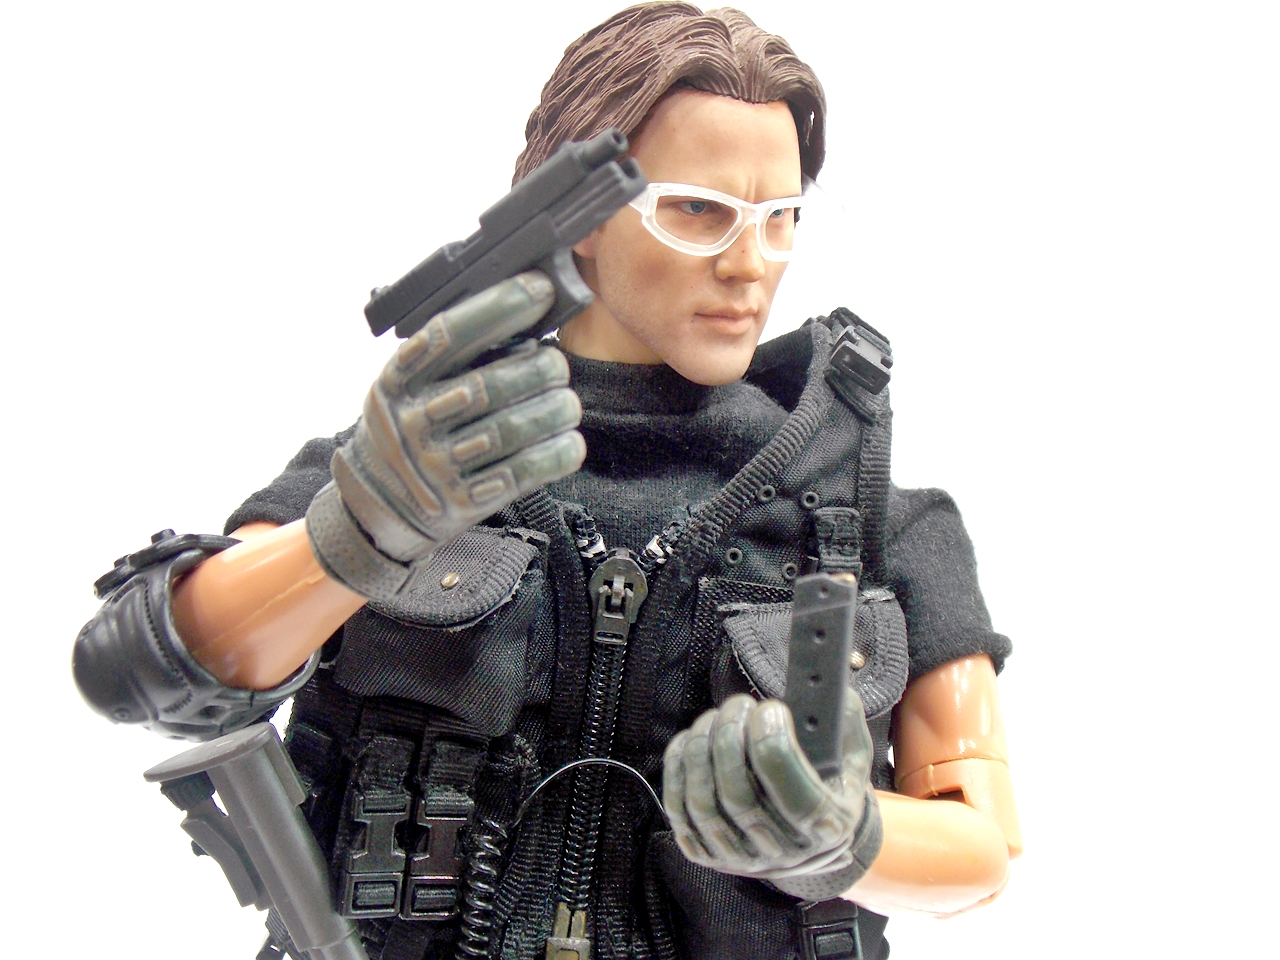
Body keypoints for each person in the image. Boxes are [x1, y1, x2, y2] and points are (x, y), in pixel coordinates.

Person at [73, 4, 1020, 959]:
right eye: (698, 210)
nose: (750, 265)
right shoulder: (421, 459)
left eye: (780, 219)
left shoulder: (854, 510)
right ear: (580, 214)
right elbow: (134, 669)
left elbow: (981, 849)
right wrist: (351, 538)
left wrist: (846, 836)